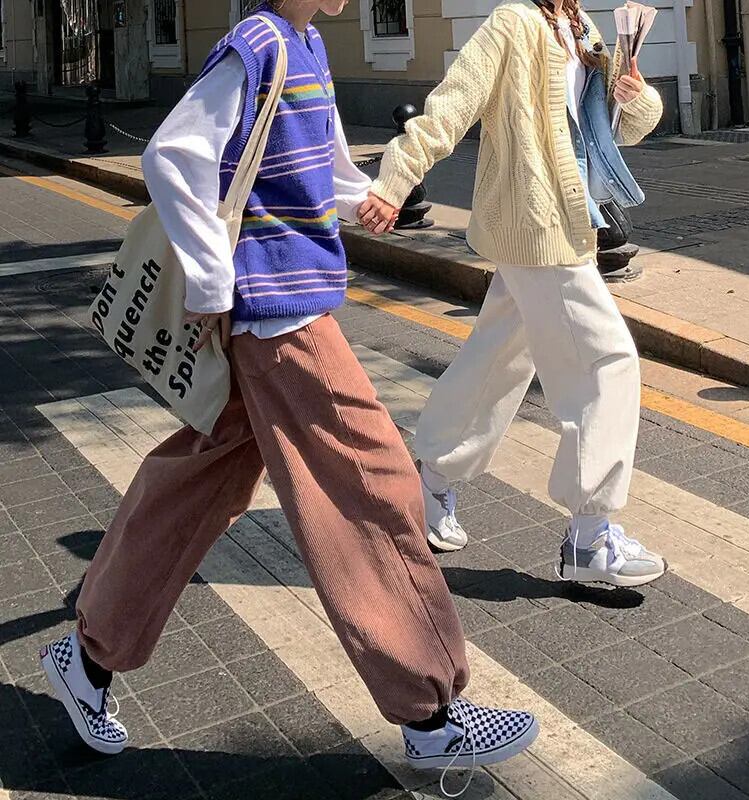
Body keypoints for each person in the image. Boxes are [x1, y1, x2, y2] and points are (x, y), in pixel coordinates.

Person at [39, 0, 539, 782]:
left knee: (199, 482)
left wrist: (363, 198)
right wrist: (212, 283)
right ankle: (431, 715)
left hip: (284, 304)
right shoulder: (259, 43)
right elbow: (173, 156)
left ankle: (89, 655)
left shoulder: (304, 45)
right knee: (371, 482)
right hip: (279, 313)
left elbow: (317, 172)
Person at [359, 0, 667, 587]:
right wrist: (395, 180)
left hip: (569, 221)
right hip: (536, 223)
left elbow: (613, 130)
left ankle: (431, 481)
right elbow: (452, 104)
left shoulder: (580, 26)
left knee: (497, 358)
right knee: (607, 362)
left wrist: (636, 95)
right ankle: (589, 537)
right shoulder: (512, 22)